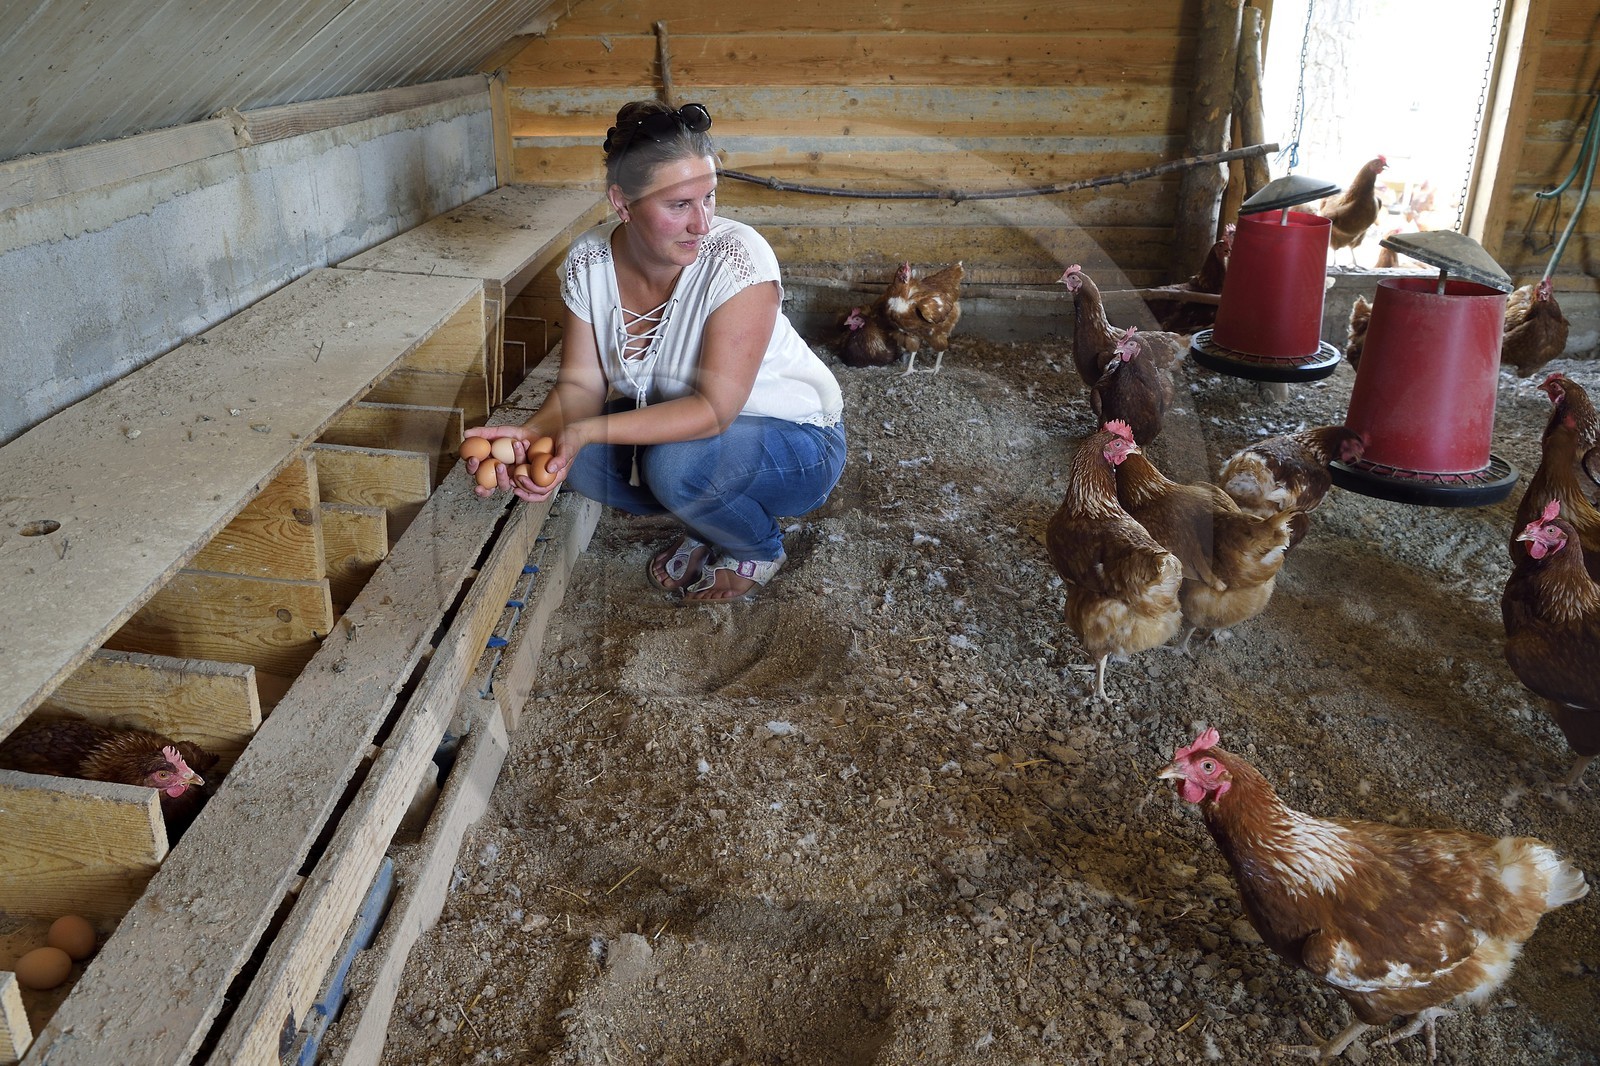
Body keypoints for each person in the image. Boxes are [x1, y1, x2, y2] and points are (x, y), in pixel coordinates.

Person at [463, 100, 846, 602]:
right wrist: (535, 434)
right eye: (679, 205)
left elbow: (714, 412)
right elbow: (580, 385)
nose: (702, 223)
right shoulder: (589, 262)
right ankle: (706, 515)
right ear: (622, 203)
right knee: (579, 462)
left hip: (798, 443)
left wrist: (584, 429)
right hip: (694, 440)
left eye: (709, 197)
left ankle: (756, 545)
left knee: (673, 466)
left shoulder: (738, 259)